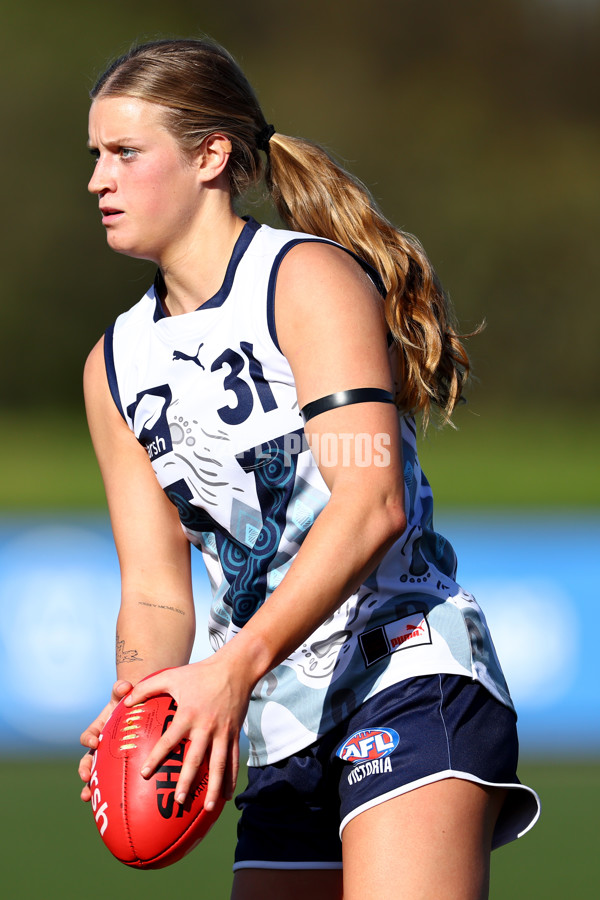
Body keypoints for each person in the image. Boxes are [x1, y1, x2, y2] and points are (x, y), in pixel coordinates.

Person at [78, 37, 539, 900]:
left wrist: (232, 667)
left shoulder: (306, 281)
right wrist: (141, 708)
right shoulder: (112, 367)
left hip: (405, 672)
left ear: (211, 157)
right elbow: (154, 592)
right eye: (96, 156)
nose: (98, 179)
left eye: (126, 153)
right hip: (274, 718)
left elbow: (370, 503)